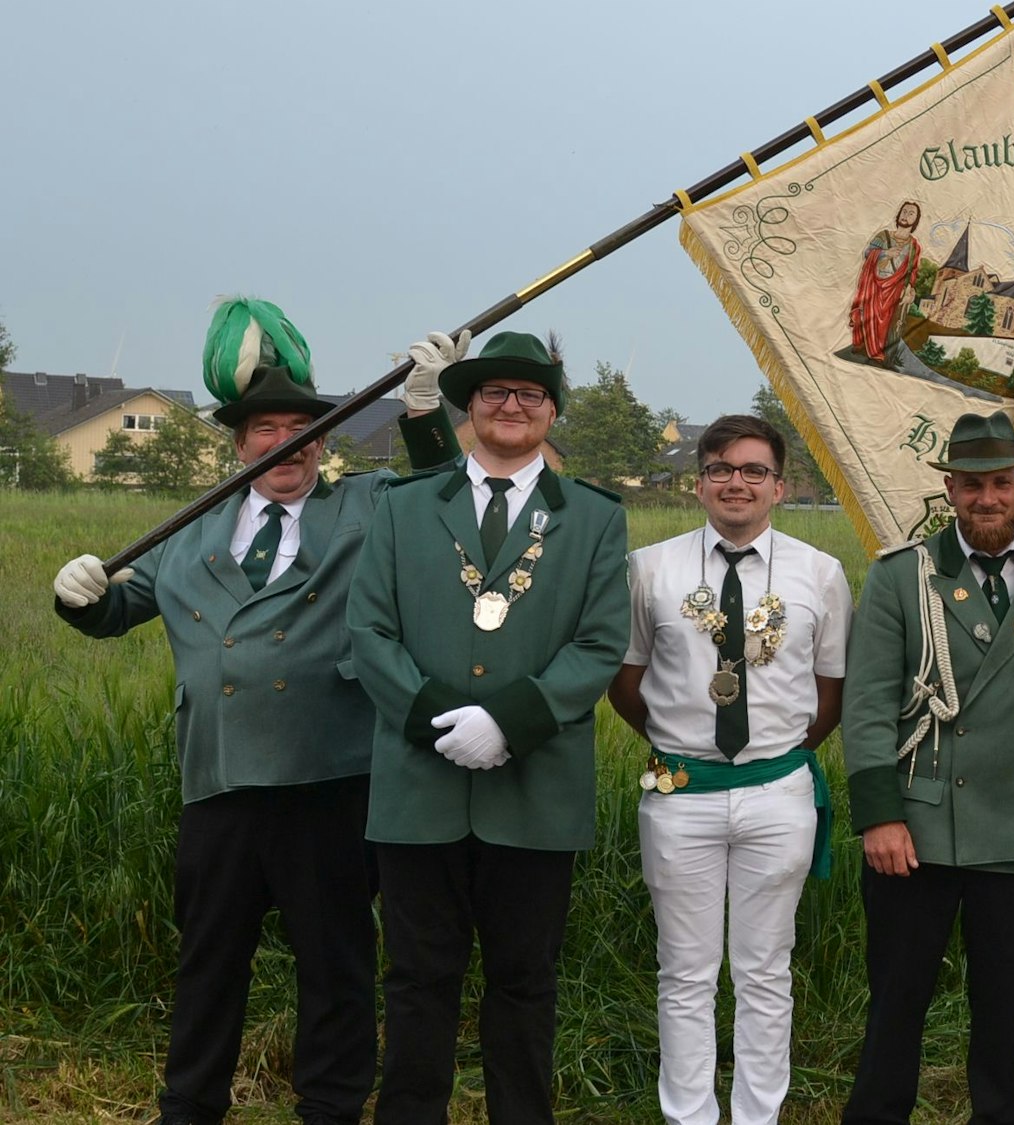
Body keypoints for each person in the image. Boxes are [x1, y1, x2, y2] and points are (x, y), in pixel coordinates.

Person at [51, 298, 459, 1125]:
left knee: (336, 965)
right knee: (208, 963)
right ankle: (190, 1106)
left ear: (325, 442)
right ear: (237, 445)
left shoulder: (367, 507)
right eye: (265, 429)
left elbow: (444, 503)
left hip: (329, 778)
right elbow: (118, 609)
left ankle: (330, 1109)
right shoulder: (188, 531)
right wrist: (78, 596)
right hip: (221, 780)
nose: (284, 443)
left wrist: (424, 414)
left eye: (303, 429)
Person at [345, 330, 629, 1125]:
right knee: (416, 978)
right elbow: (369, 631)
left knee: (525, 983)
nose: (512, 405)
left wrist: (507, 722)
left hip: (535, 790)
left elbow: (600, 642)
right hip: (419, 786)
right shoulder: (403, 507)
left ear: (552, 411)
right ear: (468, 407)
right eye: (495, 391)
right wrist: (440, 721)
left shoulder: (595, 518)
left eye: (530, 393)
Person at [840, 410, 1014, 1125]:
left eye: (1001, 483)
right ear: (950, 489)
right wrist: (880, 816)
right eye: (972, 485)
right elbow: (868, 706)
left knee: (1004, 1003)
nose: (987, 499)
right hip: (917, 824)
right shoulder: (902, 575)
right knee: (897, 998)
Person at [607, 413, 850, 1125]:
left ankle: (756, 1115)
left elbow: (830, 692)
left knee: (765, 969)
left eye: (753, 470)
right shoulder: (650, 569)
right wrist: (676, 742)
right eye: (719, 468)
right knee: (684, 970)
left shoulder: (819, 573)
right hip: (681, 792)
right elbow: (626, 682)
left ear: (779, 485)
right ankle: (688, 1115)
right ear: (699, 482)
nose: (735, 482)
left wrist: (777, 755)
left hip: (778, 792)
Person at [848, 200, 923, 363]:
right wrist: (885, 253)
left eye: (911, 214)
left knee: (888, 322)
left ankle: (881, 354)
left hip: (895, 289)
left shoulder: (914, 246)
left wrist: (910, 289)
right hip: (874, 284)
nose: (906, 216)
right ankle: (863, 348)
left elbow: (913, 270)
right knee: (868, 317)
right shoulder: (883, 236)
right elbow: (868, 253)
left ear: (915, 220)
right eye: (904, 211)